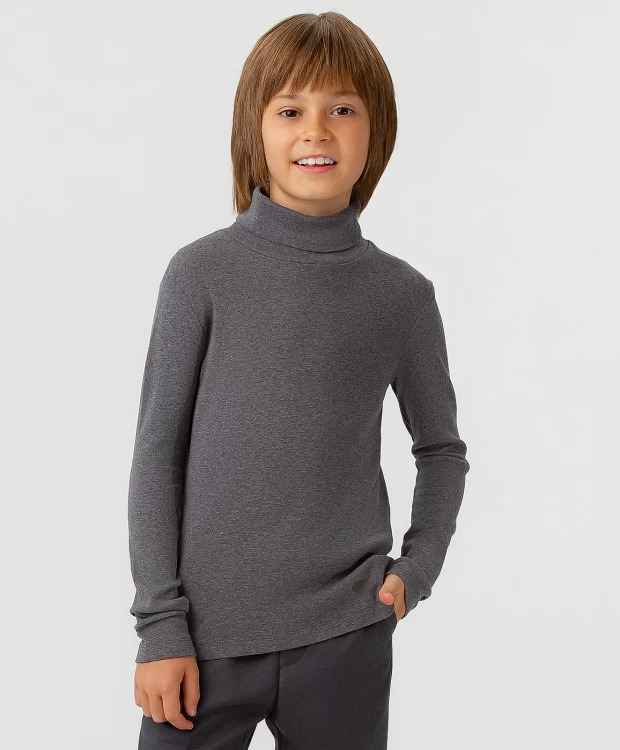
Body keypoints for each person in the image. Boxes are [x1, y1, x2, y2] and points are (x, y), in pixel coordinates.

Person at [128, 11, 470, 750]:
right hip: (201, 645)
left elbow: (441, 449)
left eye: (342, 110)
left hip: (345, 635)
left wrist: (418, 569)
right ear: (255, 128)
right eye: (290, 110)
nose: (316, 131)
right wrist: (160, 625)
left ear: (375, 132)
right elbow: (158, 454)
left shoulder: (401, 295)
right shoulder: (201, 273)